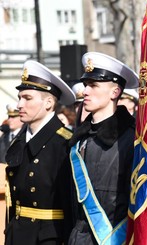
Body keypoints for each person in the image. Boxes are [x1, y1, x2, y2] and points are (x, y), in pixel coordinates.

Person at [67, 52, 138, 244]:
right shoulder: (79, 139)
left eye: (93, 85)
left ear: (115, 92)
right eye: (85, 85)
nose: (85, 92)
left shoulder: (132, 138)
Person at [5, 60, 76, 244]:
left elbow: (72, 206)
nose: (20, 104)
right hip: (17, 235)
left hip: (48, 237)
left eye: (27, 98)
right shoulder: (20, 140)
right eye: (20, 97)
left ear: (49, 103)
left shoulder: (65, 143)